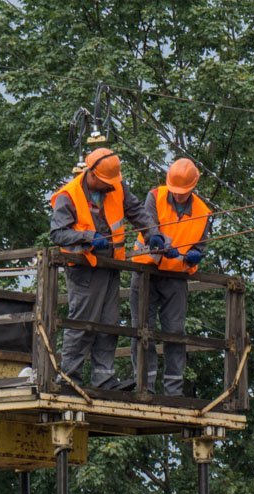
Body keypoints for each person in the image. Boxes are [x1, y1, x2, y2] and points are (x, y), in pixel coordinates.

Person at [48, 147, 165, 390]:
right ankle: (69, 378)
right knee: (82, 324)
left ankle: (104, 380)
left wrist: (153, 233)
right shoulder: (67, 196)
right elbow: (58, 233)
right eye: (105, 182)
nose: (110, 187)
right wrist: (88, 237)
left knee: (109, 324)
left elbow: (137, 212)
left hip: (110, 267)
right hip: (84, 269)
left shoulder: (117, 187)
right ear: (91, 175)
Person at [130, 157, 212, 396]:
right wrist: (158, 240)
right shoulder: (154, 197)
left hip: (176, 277)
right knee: (142, 330)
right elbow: (148, 226)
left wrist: (196, 254)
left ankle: (173, 391)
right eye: (175, 191)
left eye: (183, 192)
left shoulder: (203, 212)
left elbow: (201, 244)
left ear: (192, 188)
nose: (178, 195)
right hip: (147, 271)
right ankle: (145, 387)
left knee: (175, 332)